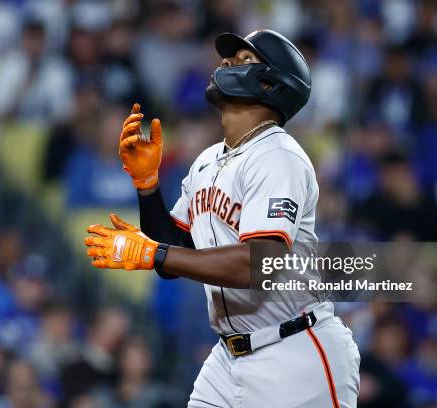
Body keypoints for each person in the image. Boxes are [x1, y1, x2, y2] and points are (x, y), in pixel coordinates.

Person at [84, 29, 360, 407]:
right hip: (228, 358)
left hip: (295, 352)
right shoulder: (207, 161)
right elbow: (175, 253)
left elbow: (257, 264)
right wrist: (148, 186)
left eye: (243, 60)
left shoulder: (279, 157)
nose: (226, 63)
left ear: (271, 83)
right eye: (227, 58)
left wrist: (153, 254)